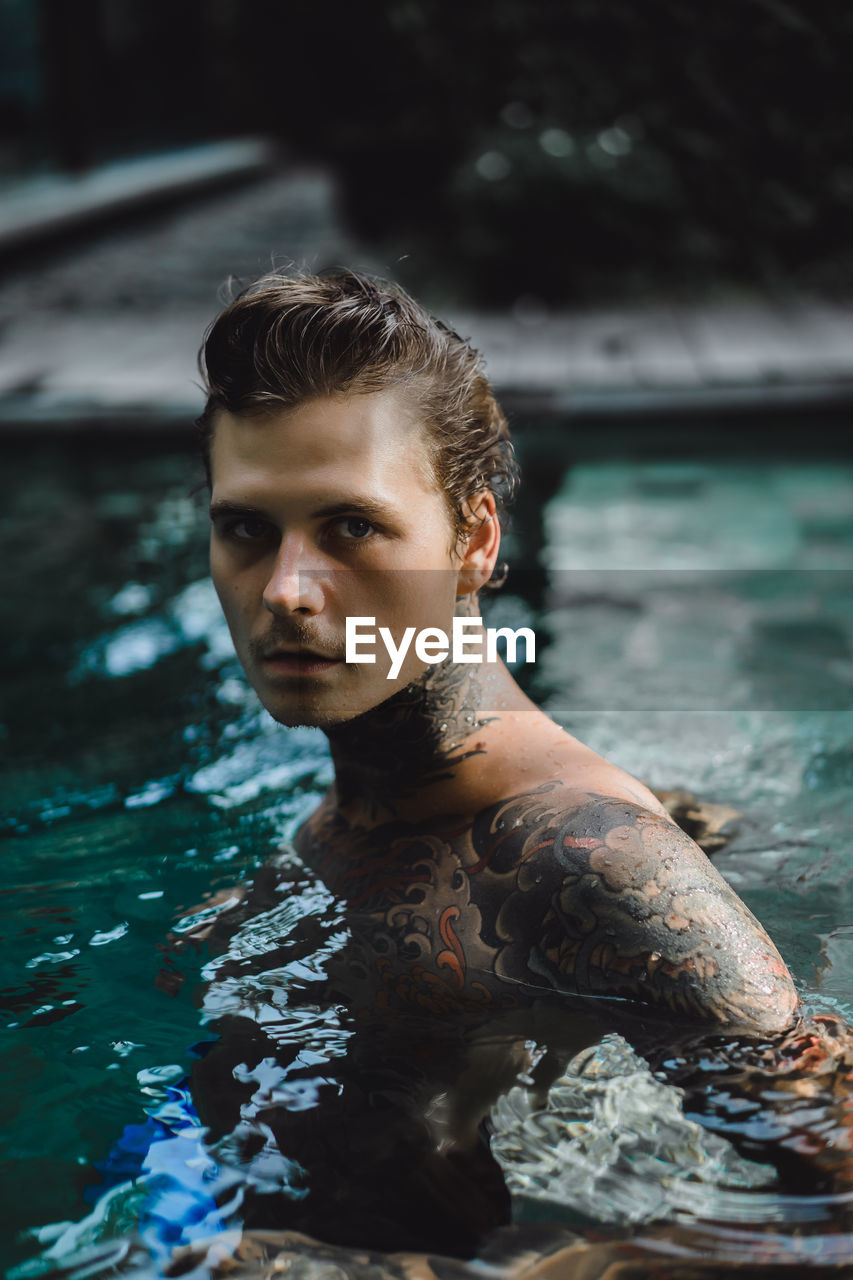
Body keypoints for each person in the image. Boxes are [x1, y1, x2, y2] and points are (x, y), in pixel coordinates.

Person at [195, 267, 799, 1037]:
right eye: (247, 527)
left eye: (351, 527)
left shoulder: (596, 868)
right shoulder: (340, 823)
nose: (285, 590)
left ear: (474, 542)